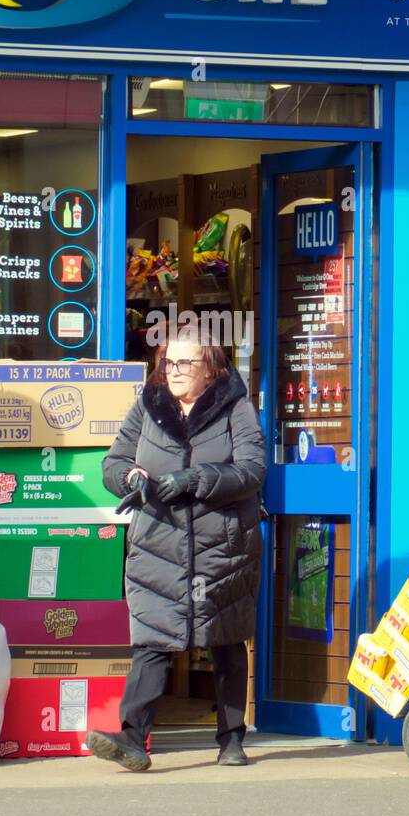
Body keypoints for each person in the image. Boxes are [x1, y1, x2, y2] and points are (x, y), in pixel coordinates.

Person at [90, 327, 266, 771]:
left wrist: (196, 479)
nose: (174, 371)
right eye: (168, 362)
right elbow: (114, 462)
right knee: (151, 639)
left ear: (211, 367)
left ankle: (231, 740)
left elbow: (252, 469)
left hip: (219, 546)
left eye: (185, 363)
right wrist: (131, 479)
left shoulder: (236, 407)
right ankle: (132, 739)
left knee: (223, 639)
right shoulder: (148, 405)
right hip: (158, 544)